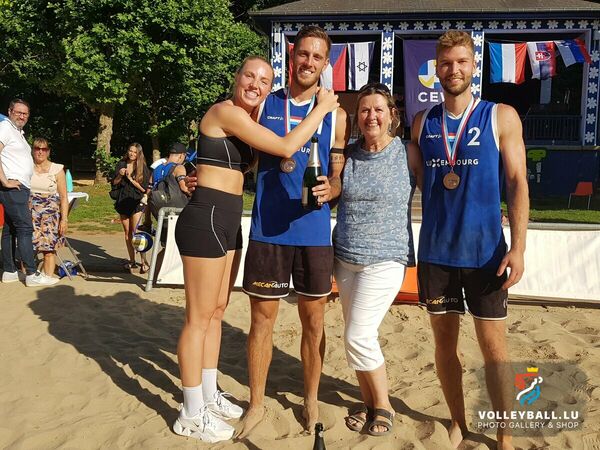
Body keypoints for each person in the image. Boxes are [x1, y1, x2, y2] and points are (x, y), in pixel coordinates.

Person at [172, 55, 338, 443]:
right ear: (237, 77)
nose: (256, 85)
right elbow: (285, 146)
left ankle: (208, 394)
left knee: (216, 312)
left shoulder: (246, 121)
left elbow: (229, 164)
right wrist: (322, 108)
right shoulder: (226, 112)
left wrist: (187, 173)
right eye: (250, 76)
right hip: (206, 218)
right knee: (198, 319)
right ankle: (190, 411)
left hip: (228, 219)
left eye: (264, 81)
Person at [411, 31, 529, 450]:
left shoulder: (501, 116)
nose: (454, 69)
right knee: (445, 347)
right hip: (436, 254)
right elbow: (415, 180)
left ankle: (505, 435)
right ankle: (458, 422)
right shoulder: (423, 123)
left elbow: (517, 182)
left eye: (461, 61)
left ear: (474, 66)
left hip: (485, 253)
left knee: (494, 350)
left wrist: (518, 247)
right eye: (446, 63)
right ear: (436, 69)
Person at [238, 25, 350, 437]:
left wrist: (332, 188)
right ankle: (255, 404)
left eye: (317, 57)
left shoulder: (337, 114)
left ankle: (311, 399)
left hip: (313, 233)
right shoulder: (265, 101)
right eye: (303, 54)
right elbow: (243, 158)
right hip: (268, 230)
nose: (308, 62)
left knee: (314, 322)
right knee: (261, 321)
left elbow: (338, 172)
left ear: (325, 63)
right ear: (292, 54)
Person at [333, 82, 417, 436]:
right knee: (355, 336)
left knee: (359, 335)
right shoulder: (348, 154)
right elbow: (330, 188)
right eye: (365, 110)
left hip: (386, 258)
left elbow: (440, 190)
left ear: (392, 115)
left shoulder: (408, 153)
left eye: (378, 109)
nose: (371, 116)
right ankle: (368, 403)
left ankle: (384, 405)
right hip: (345, 258)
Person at [0, 99, 55, 286]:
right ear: (10, 111)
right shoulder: (5, 128)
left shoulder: (18, 133)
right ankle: (32, 274)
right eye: (18, 112)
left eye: (25, 113)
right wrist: (4, 181)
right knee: (25, 228)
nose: (22, 116)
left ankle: (9, 271)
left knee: (10, 229)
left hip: (19, 187)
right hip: (12, 186)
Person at [30, 137, 68, 281]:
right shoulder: (26, 167)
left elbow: (64, 197)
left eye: (44, 149)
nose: (40, 152)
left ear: (48, 151)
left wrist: (64, 219)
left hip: (50, 215)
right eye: (37, 149)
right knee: (27, 248)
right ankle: (29, 277)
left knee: (48, 249)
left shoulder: (57, 169)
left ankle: (48, 277)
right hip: (30, 213)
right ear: (33, 150)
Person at [111, 143, 151, 272]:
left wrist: (130, 179)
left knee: (136, 233)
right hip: (123, 200)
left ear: (139, 154)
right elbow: (114, 183)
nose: (131, 154)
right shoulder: (121, 164)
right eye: (130, 151)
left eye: (134, 152)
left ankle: (144, 261)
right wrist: (120, 175)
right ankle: (132, 261)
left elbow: (144, 189)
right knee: (127, 233)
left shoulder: (142, 167)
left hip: (136, 201)